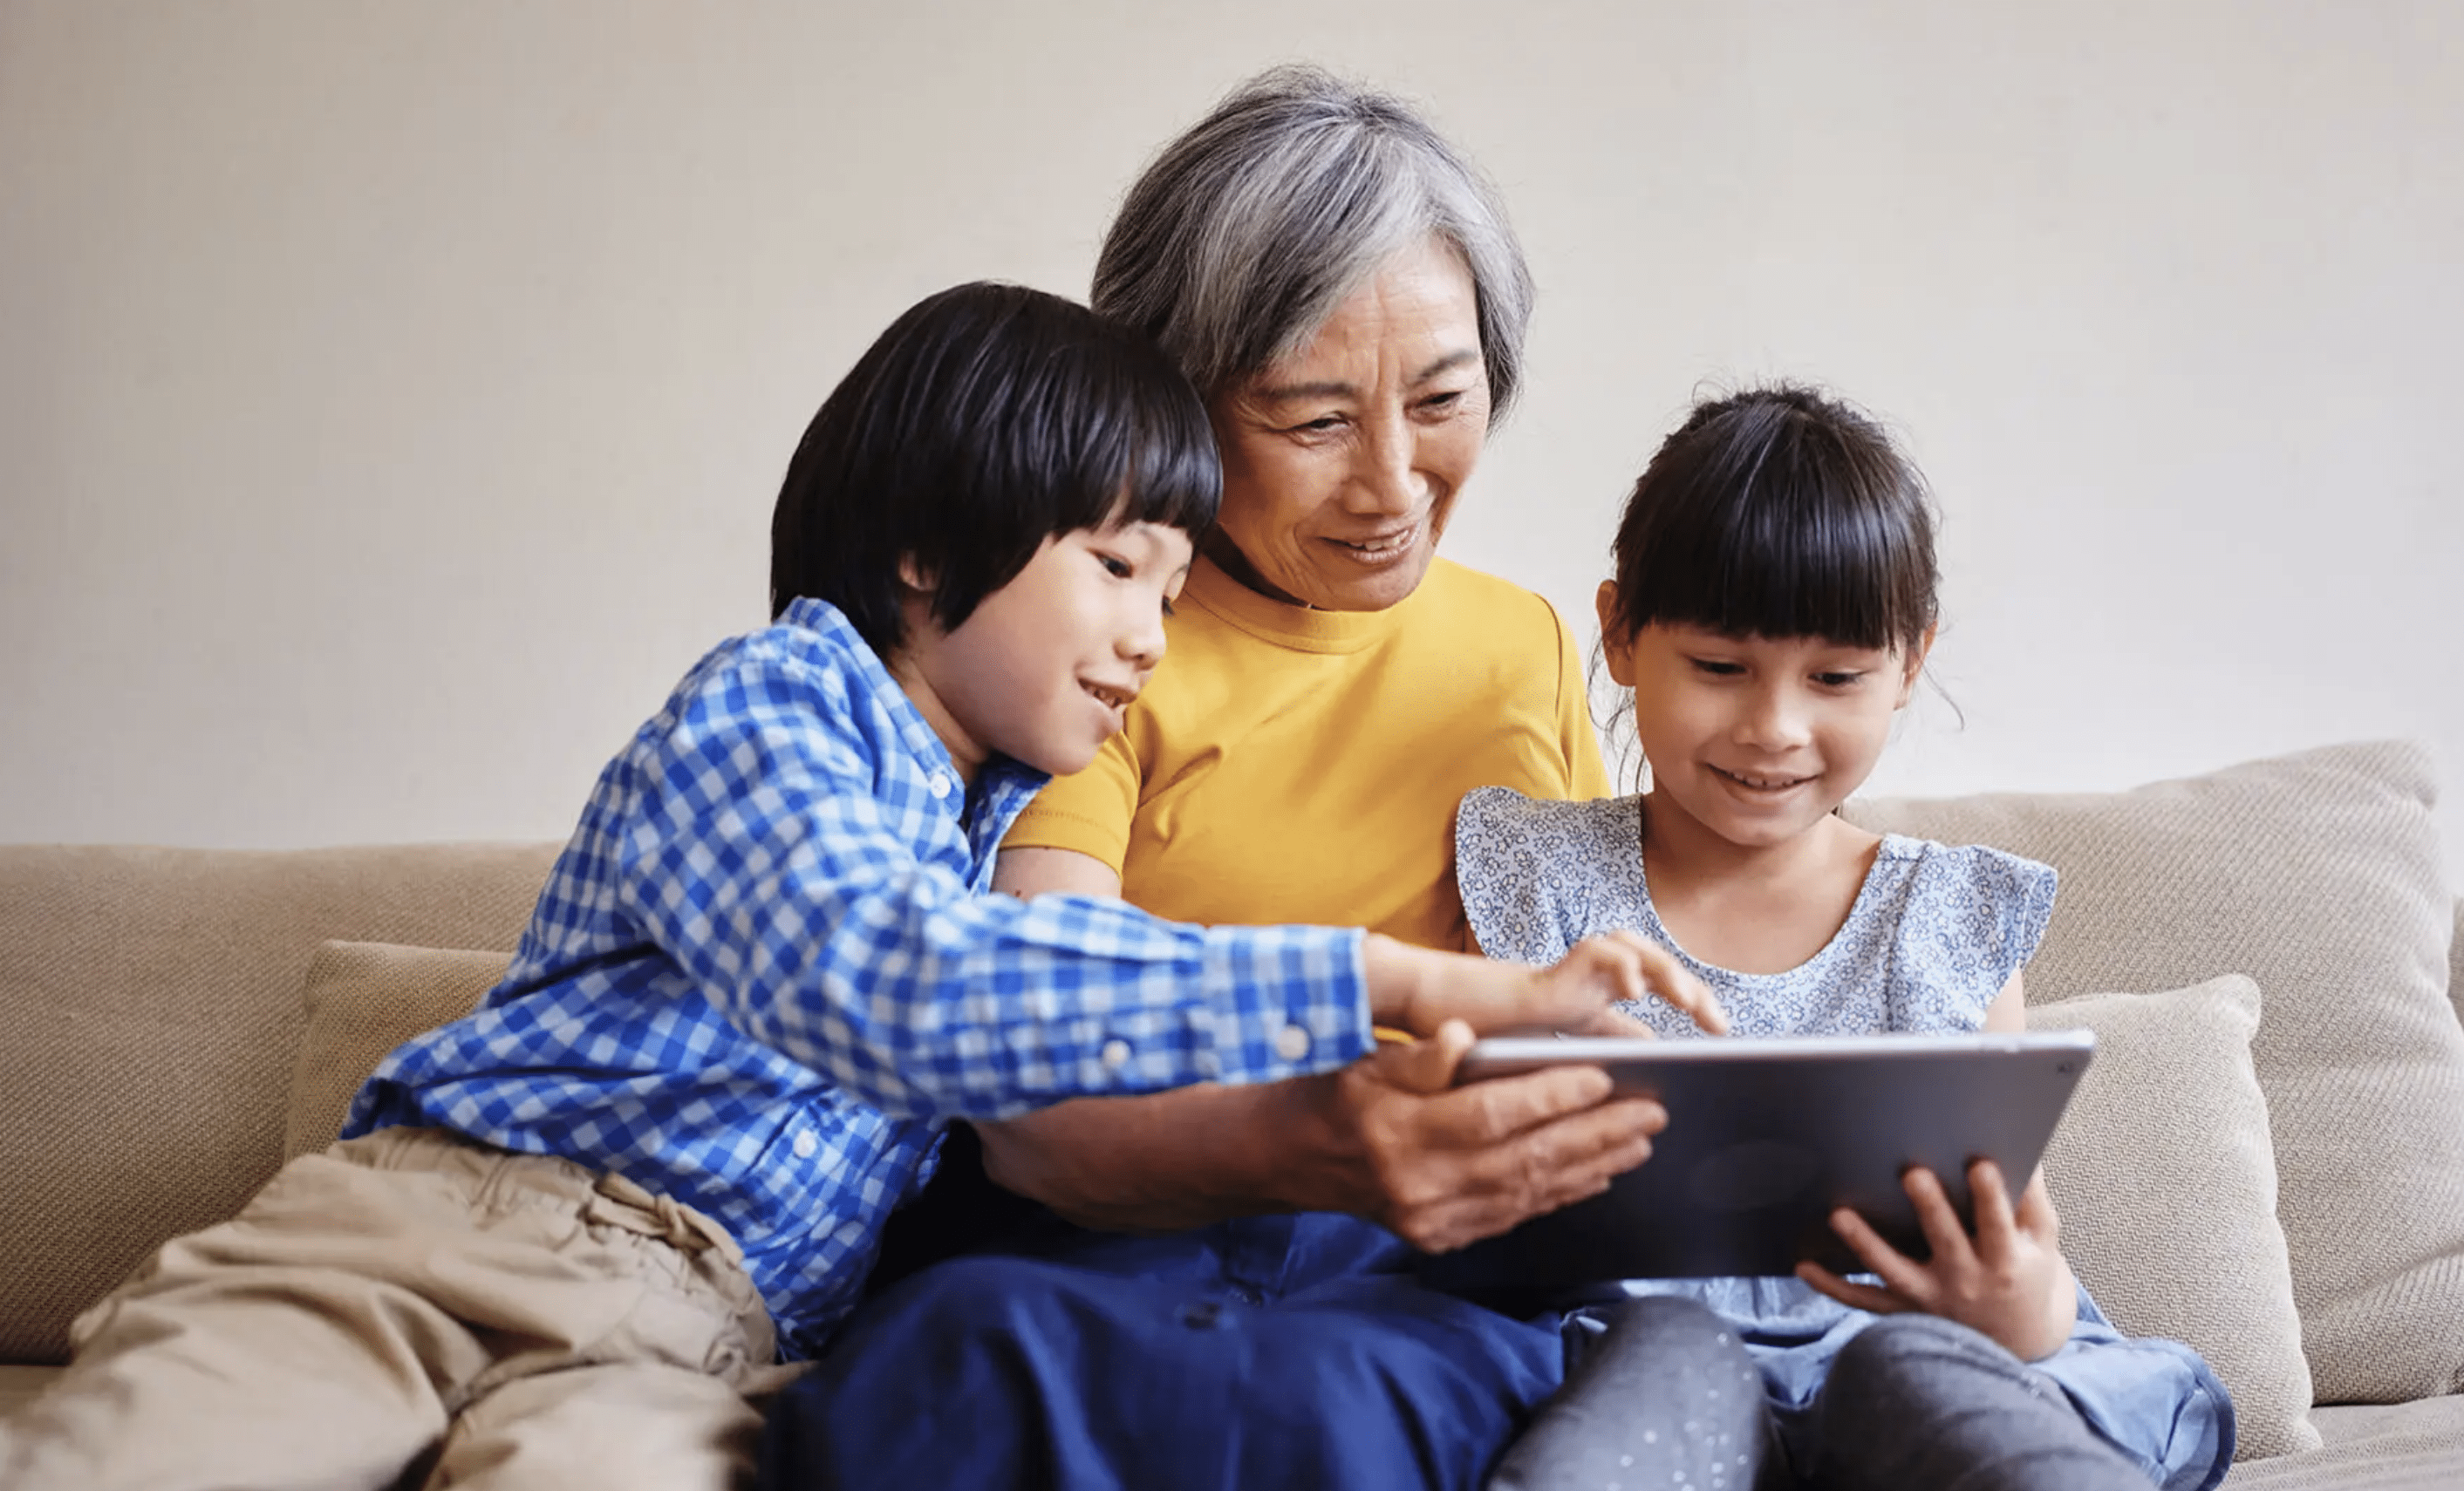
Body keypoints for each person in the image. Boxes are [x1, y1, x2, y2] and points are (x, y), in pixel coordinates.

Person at [0, 282, 1712, 1491]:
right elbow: (905, 987)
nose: (1147, 634)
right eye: (1118, 570)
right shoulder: (772, 707)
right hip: (451, 1228)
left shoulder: (1001, 817)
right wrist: (1399, 981)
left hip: (695, 1346)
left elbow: (1064, 1071)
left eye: (1173, 589)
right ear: (921, 552)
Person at [760, 67, 1722, 1491]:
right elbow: (1030, 1100)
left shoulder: (1522, 645)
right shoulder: (1088, 646)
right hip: (1126, 1234)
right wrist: (1321, 1146)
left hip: (1429, 1266)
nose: (1394, 482)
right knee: (971, 1354)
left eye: (1443, 400)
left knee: (1417, 1380)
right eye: (1314, 419)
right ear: (1181, 405)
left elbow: (1602, 998)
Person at [1460, 385, 2237, 1491]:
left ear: (1908, 666)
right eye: (1720, 668)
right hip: (1638, 1352)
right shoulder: (1532, 877)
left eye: (1834, 679)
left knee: (1911, 1370)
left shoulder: (1948, 922)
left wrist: (2014, 1308)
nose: (1773, 728)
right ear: (1621, 634)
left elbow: (2024, 1247)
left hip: (1914, 1348)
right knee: (1665, 1368)